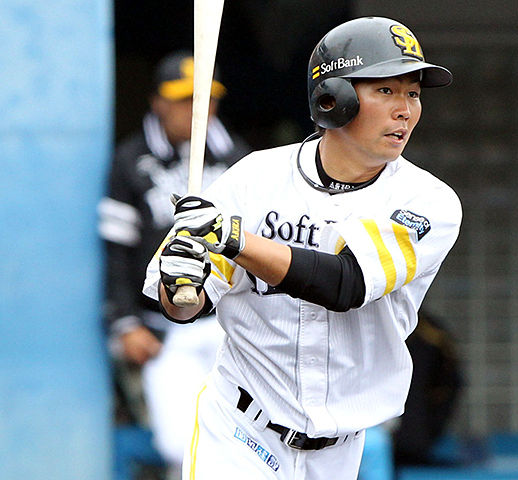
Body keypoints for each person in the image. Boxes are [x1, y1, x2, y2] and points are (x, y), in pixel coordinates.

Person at [143, 17, 462, 480]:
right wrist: (179, 282)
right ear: (332, 99)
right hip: (239, 431)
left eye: (412, 94)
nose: (405, 110)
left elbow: (345, 283)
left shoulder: (426, 202)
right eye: (386, 90)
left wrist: (235, 239)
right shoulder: (252, 179)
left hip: (342, 449)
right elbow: (186, 306)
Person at [98, 51, 250, 478]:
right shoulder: (131, 159)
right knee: (177, 443)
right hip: (164, 328)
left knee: (243, 438)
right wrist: (124, 323)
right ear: (158, 102)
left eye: (205, 99)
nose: (196, 109)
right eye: (185, 99)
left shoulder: (238, 156)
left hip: (228, 324)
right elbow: (115, 250)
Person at [393, 311, 463, 467]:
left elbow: (450, 383)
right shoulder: (373, 325)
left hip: (415, 433)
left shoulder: (432, 334)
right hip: (371, 432)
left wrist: (433, 426)